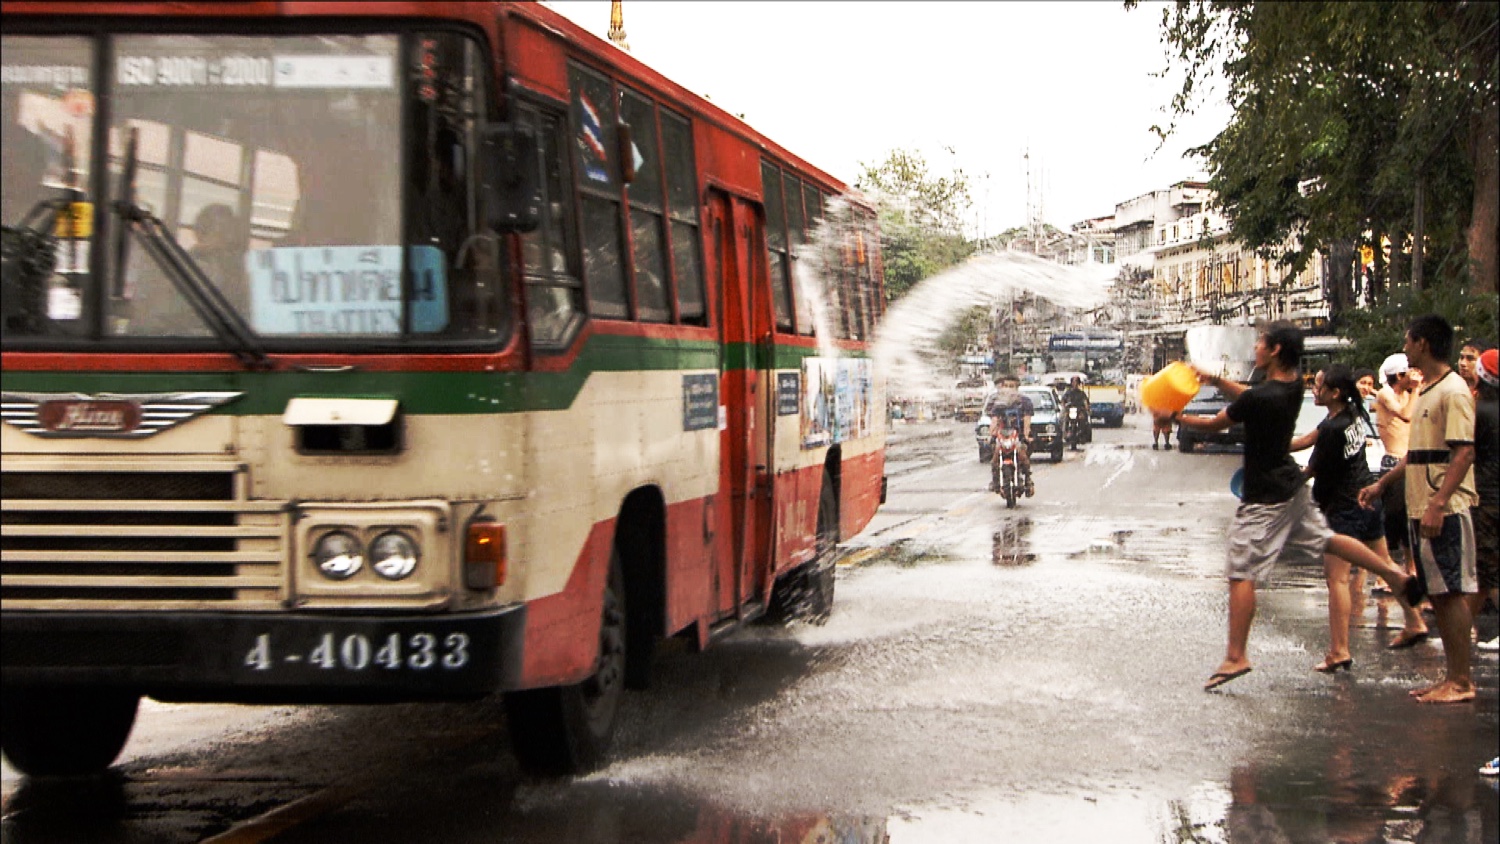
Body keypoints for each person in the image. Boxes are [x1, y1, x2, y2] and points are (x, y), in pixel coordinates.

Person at [1158, 320, 1423, 691]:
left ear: (1276, 350)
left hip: (1265, 497)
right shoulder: (1292, 385)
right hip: (1292, 487)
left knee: (1241, 571)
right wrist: (1216, 380)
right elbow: (1248, 396)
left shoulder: (1262, 396)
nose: (1256, 348)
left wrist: (1175, 417)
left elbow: (1217, 422)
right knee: (1328, 539)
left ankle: (1236, 654)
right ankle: (1394, 574)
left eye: (1261, 343)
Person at [1358, 314, 1478, 704]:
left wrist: (1438, 504)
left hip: (1443, 507)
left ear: (1423, 344)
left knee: (1450, 592)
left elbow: (1463, 452)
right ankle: (1451, 676)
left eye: (1409, 341)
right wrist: (1382, 484)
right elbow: (1417, 453)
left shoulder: (1454, 391)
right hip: (1419, 503)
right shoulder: (1428, 390)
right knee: (1437, 593)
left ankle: (1461, 680)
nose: (1405, 348)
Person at [1298, 365, 1391, 673]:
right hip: (1367, 498)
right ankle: (1415, 621)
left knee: (1337, 579)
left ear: (1334, 393)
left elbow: (1310, 471)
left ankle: (1339, 650)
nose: (1315, 390)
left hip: (1344, 509)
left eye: (1319, 386)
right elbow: (1310, 436)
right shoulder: (1350, 415)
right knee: (1386, 566)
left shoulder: (1333, 429)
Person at [1373, 352, 1430, 648]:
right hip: (1393, 461)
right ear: (1398, 375)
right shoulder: (1386, 393)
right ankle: (1385, 574)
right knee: (1392, 520)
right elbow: (1406, 415)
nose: (1413, 377)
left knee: (1410, 520)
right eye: (1408, 373)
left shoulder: (1409, 394)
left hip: (1410, 462)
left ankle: (1411, 569)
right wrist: (1417, 389)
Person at [1469, 348, 1498, 652]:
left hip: (1486, 495)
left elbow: (1466, 453)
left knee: (1485, 570)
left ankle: (1460, 632)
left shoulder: (1479, 412)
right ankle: (1462, 630)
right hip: (1491, 493)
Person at [984, 372, 1034, 497]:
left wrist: (1026, 435)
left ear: (1017, 388)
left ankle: (1028, 480)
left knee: (1023, 456)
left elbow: (1027, 421)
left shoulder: (1025, 402)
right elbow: (994, 421)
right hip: (1003, 436)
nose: (1008, 389)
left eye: (1011, 386)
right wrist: (991, 435)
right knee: (995, 457)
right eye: (1006, 386)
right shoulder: (998, 404)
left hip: (1018, 436)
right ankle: (995, 482)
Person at [1061, 375, 1091, 443]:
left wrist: (1086, 408)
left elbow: (1085, 401)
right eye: (1073, 382)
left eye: (1076, 382)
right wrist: (1064, 407)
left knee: (1084, 419)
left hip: (1079, 411)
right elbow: (1063, 401)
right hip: (1070, 411)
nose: (1075, 384)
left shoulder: (1081, 393)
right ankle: (1065, 433)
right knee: (1064, 419)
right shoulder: (1068, 393)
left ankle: (1082, 433)